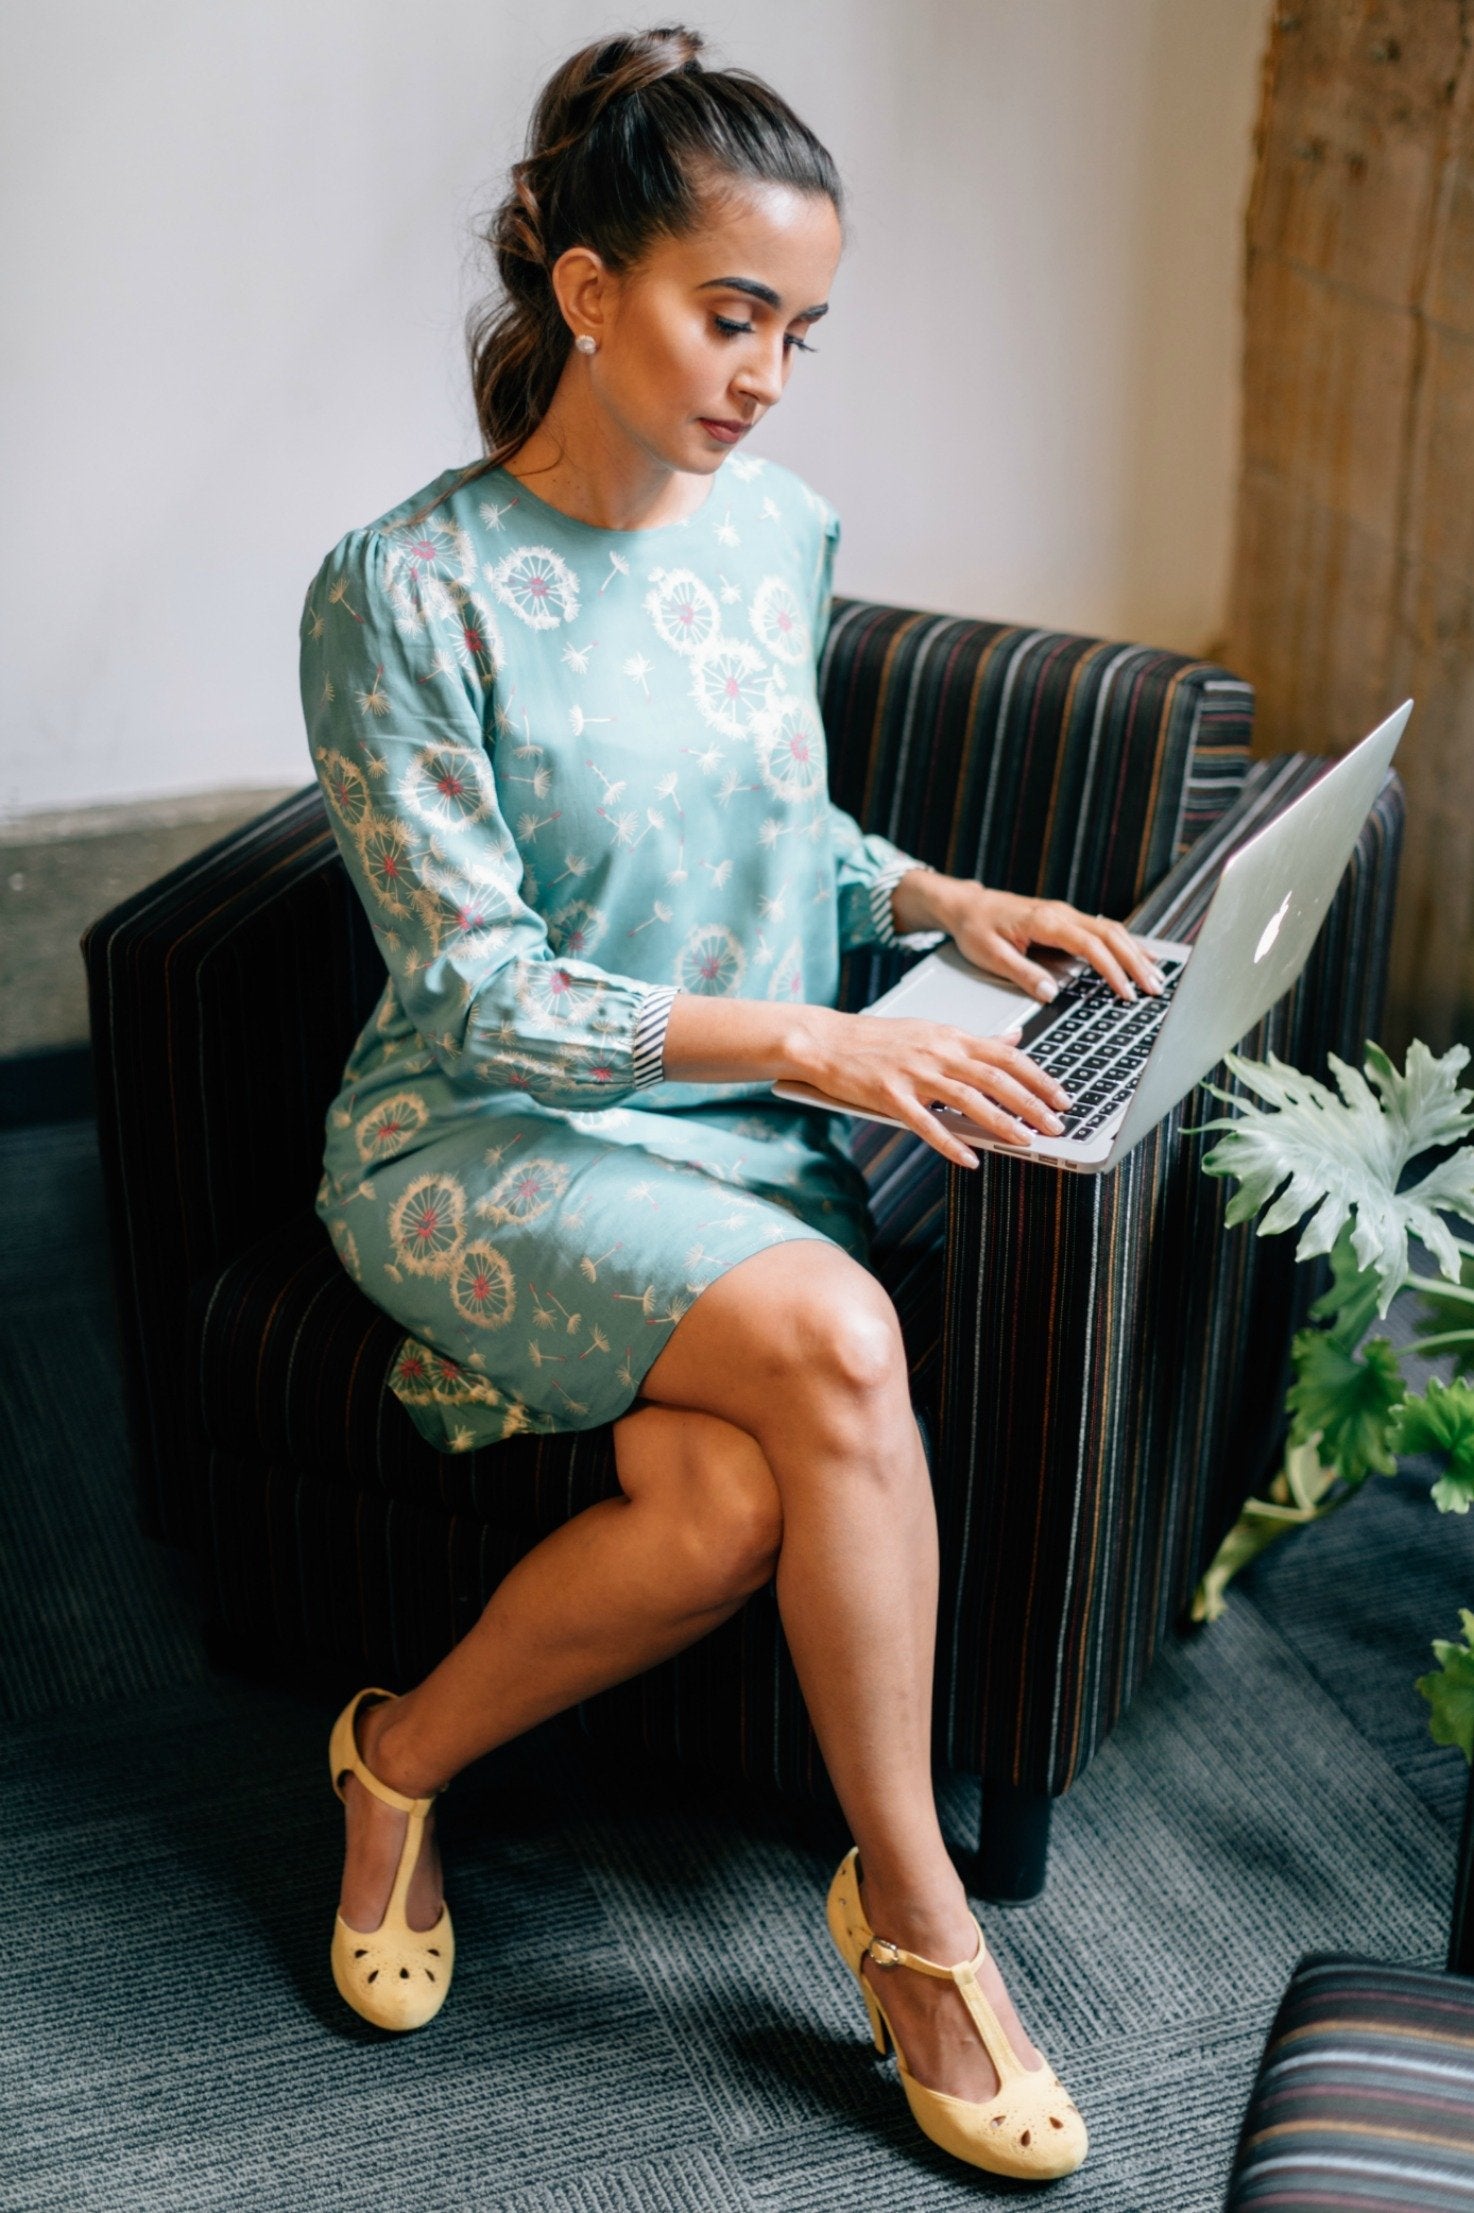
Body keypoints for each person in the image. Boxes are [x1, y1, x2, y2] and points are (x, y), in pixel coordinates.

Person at [302, 24, 1164, 2183]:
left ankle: (392, 1761)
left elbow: (773, 824)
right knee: (843, 1340)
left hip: (723, 1141)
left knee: (716, 1509)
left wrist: (940, 899)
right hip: (478, 1140)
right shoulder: (402, 590)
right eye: (731, 314)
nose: (769, 375)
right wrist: (812, 1042)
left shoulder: (773, 529)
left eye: (801, 330)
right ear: (588, 291)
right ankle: (919, 1918)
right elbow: (477, 988)